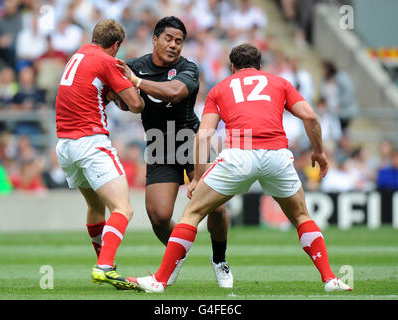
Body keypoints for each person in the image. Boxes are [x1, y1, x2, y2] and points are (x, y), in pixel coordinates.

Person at [127, 43, 352, 293]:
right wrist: (319, 151)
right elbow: (310, 116)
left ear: (232, 67)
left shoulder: (220, 88)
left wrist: (197, 178)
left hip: (239, 155)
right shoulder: (279, 83)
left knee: (191, 214)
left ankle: (160, 280)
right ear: (260, 65)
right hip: (277, 155)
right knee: (301, 216)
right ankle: (330, 279)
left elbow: (203, 136)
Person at [117, 16, 233, 288]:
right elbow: (110, 83)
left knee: (214, 206)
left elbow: (175, 92)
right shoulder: (135, 66)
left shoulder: (188, 68)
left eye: (179, 41)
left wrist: (135, 82)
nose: (173, 45)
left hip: (191, 139)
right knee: (158, 216)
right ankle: (177, 254)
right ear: (155, 39)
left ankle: (219, 259)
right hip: (158, 144)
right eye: (168, 39)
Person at [54, 19, 145, 290]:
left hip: (66, 145)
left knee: (95, 207)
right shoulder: (107, 61)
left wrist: (110, 94)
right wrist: (130, 81)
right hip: (90, 142)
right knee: (123, 208)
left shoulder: (79, 55)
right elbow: (136, 105)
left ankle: (105, 264)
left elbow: (93, 93)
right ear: (115, 45)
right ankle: (104, 266)